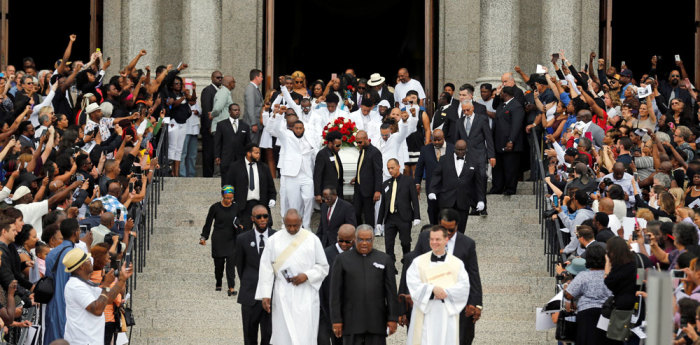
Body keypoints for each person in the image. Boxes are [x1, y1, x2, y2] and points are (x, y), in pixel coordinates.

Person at [255, 209, 329, 345]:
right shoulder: (273, 240)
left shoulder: (312, 239)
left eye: (295, 225)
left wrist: (307, 275)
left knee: (305, 332)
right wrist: (265, 295)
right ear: (283, 222)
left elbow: (323, 266)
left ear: (301, 222)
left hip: (306, 293)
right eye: (289, 225)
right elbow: (266, 268)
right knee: (283, 333)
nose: (292, 228)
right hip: (282, 293)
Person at [412, 208, 483, 345]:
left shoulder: (467, 244)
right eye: (445, 229)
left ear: (457, 226)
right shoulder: (424, 238)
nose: (448, 234)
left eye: (452, 230)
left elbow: (473, 275)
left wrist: (476, 304)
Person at [330, 224, 399, 345]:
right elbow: (335, 292)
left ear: (373, 240)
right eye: (361, 239)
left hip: (376, 322)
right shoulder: (342, 260)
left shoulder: (385, 259)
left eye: (368, 240)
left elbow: (391, 293)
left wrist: (393, 318)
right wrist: (336, 320)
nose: (364, 243)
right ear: (355, 240)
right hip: (351, 322)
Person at [406, 225, 470, 345]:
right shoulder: (418, 262)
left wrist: (446, 293)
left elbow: (464, 287)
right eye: (432, 239)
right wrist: (432, 290)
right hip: (424, 312)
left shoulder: (457, 263)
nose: (434, 242)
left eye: (438, 239)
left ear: (446, 240)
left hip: (447, 312)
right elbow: (413, 283)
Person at [62, 247, 133, 345]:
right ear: (81, 266)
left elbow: (108, 299)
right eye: (88, 260)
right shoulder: (75, 286)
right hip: (81, 341)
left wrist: (122, 280)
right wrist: (105, 285)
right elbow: (98, 310)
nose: (91, 261)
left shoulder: (84, 283)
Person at [268, 109, 317, 228]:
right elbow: (275, 129)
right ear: (292, 129)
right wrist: (278, 115)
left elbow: (315, 151)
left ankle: (306, 224)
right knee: (293, 203)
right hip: (291, 175)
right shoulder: (286, 136)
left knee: (309, 198)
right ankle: (296, 225)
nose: (299, 130)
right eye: (297, 128)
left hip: (307, 174)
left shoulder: (309, 137)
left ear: (303, 128)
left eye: (301, 128)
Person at [235, 205, 275, 345]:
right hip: (250, 294)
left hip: (271, 296)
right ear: (252, 219)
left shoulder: (277, 237)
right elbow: (240, 266)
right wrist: (249, 282)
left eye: (265, 216)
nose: (263, 219)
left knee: (269, 335)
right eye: (259, 217)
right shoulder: (242, 239)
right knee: (249, 335)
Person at [429, 140, 484, 233]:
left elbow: (478, 183)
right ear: (454, 149)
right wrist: (432, 191)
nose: (460, 152)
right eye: (458, 150)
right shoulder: (444, 159)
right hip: (446, 200)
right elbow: (436, 176)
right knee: (444, 230)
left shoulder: (474, 161)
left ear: (466, 149)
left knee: (460, 231)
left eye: (462, 150)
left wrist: (481, 200)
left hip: (463, 201)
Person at [563, 245, 612, 345]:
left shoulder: (584, 276)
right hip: (607, 313)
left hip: (586, 314)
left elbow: (568, 295)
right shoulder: (610, 275)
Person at [44, 218, 81, 345]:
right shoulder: (75, 255)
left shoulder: (51, 254)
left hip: (52, 306)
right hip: (68, 308)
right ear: (75, 232)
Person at [200, 185, 242, 296]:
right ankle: (218, 282)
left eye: (231, 198)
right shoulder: (215, 207)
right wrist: (204, 237)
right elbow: (208, 224)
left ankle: (231, 287)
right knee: (219, 265)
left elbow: (239, 220)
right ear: (222, 196)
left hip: (231, 239)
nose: (229, 200)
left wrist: (240, 226)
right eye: (227, 198)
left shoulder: (235, 207)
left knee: (231, 265)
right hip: (218, 239)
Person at [376, 159, 420, 264]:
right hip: (390, 218)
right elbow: (383, 204)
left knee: (405, 242)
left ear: (398, 167)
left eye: (392, 168)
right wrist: (379, 221)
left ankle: (407, 259)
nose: (390, 170)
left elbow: (414, 199)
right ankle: (391, 265)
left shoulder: (408, 181)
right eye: (388, 168)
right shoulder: (386, 184)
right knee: (388, 244)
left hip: (404, 217)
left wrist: (417, 216)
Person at [225, 144, 277, 231]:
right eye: (256, 153)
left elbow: (271, 187)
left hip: (261, 205)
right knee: (243, 234)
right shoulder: (235, 167)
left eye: (259, 153)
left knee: (265, 234)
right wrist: (230, 202)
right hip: (243, 207)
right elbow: (228, 186)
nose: (258, 155)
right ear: (248, 153)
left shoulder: (264, 167)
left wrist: (272, 198)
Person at [319, 224, 355, 345]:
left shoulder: (359, 253)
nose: (344, 244)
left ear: (354, 239)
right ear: (337, 237)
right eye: (341, 241)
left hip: (354, 312)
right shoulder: (325, 255)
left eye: (348, 241)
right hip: (332, 310)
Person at [490, 86, 525, 195]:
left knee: (510, 168)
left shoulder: (516, 106)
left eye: (500, 93)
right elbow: (494, 105)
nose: (499, 95)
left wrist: (511, 141)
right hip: (498, 142)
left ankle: (510, 189)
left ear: (505, 94)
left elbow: (516, 125)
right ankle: (497, 188)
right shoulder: (501, 105)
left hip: (511, 144)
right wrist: (496, 95)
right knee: (497, 168)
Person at [415, 129, 454, 224]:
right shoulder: (425, 149)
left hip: (447, 186)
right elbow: (419, 167)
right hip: (431, 186)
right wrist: (417, 183)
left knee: (446, 210)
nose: (436, 142)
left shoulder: (452, 149)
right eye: (434, 140)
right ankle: (434, 228)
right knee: (432, 209)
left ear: (443, 138)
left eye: (439, 140)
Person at [350, 130, 382, 226]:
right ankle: (359, 231)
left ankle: (369, 233)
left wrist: (377, 190)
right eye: (357, 142)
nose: (358, 144)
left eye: (360, 142)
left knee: (368, 215)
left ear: (366, 139)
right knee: (356, 212)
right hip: (358, 188)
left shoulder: (375, 152)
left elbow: (378, 172)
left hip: (369, 189)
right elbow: (363, 167)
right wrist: (357, 177)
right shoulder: (362, 150)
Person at [215, 103, 252, 180]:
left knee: (240, 180)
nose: (237, 112)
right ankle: (227, 193)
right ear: (229, 111)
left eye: (238, 110)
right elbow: (217, 142)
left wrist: (249, 155)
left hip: (240, 159)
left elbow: (248, 143)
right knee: (226, 181)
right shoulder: (221, 125)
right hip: (226, 158)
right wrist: (217, 156)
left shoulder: (245, 126)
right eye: (235, 110)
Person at [200, 71, 223, 177]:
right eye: (218, 77)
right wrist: (209, 125)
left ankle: (215, 173)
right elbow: (206, 109)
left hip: (219, 127)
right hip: (209, 127)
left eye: (221, 78)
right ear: (212, 78)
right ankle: (207, 176)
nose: (220, 79)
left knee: (216, 151)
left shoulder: (220, 91)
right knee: (209, 153)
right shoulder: (208, 90)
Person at [314, 130, 344, 202]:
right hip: (327, 192)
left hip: (337, 190)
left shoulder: (335, 152)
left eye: (340, 145)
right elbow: (317, 175)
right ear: (330, 143)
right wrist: (317, 194)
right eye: (337, 145)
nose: (339, 148)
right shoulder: (322, 154)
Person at [245, 69, 264, 144]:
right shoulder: (250, 89)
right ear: (256, 77)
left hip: (257, 123)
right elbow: (250, 107)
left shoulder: (255, 88)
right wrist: (254, 124)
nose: (262, 79)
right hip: (253, 124)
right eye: (261, 77)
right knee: (252, 146)